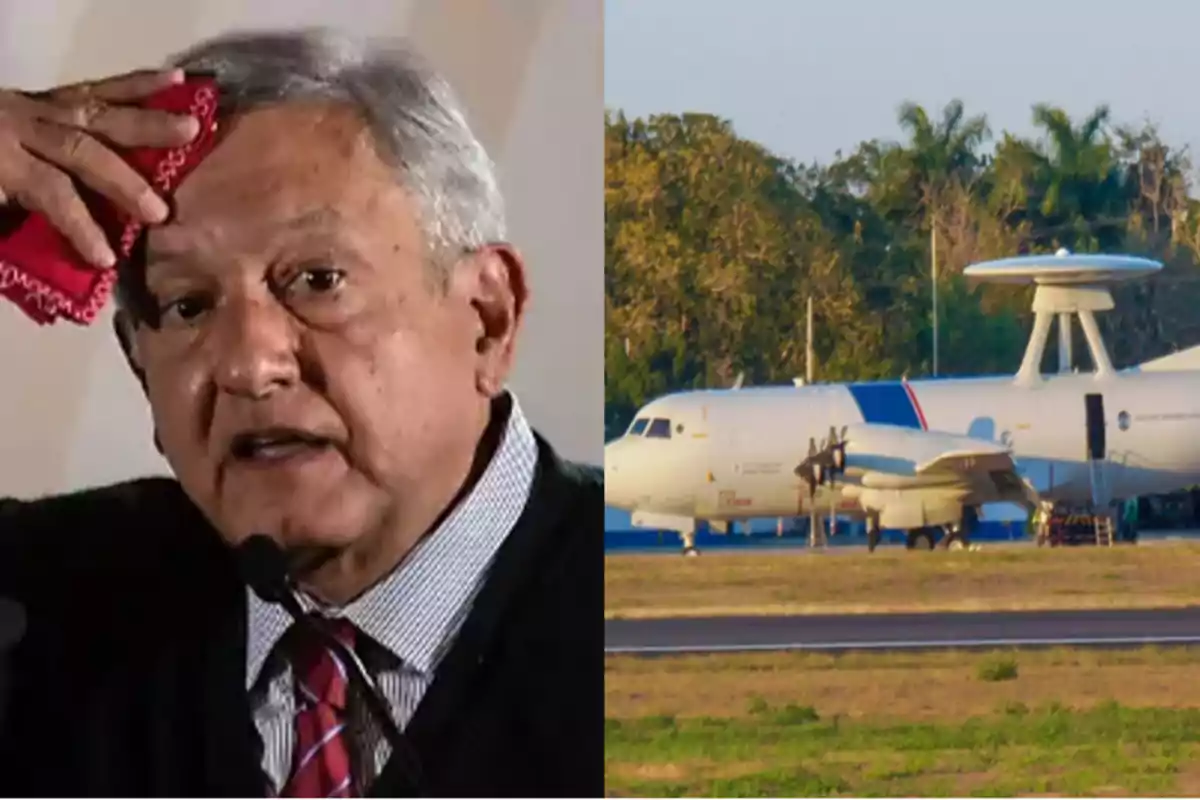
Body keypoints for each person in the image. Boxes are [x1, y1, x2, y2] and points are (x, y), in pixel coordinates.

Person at [0, 27, 602, 797]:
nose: (249, 365)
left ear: (488, 317)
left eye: (317, 280)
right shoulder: (41, 610)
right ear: (138, 365)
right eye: (188, 305)